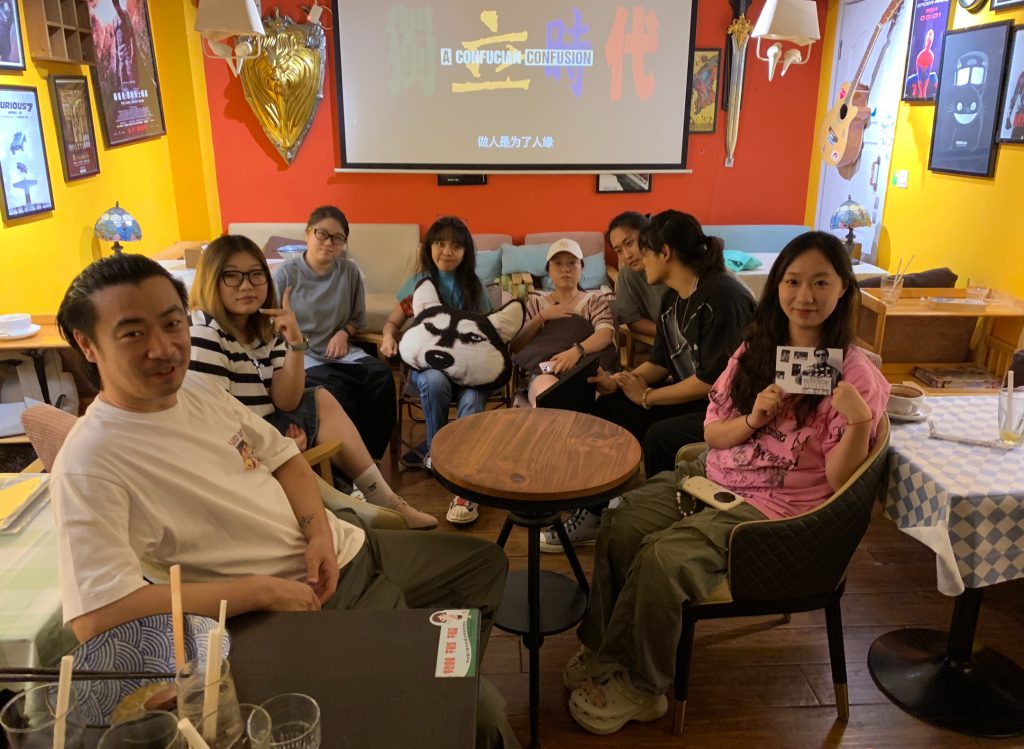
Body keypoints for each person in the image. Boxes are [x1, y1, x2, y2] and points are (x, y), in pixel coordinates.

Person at [52, 253, 519, 749]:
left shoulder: (197, 390)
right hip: (297, 605)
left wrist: (317, 532)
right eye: (132, 333)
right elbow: (97, 616)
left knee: (483, 564)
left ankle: (430, 688)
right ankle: (424, 693)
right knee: (483, 715)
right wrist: (260, 592)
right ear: (88, 344)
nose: (163, 348)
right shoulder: (91, 459)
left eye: (172, 323)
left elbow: (285, 459)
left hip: (347, 546)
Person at [561, 231, 890, 736]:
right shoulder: (755, 351)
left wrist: (860, 421)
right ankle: (608, 648)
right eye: (793, 281)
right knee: (622, 519)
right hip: (713, 476)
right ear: (776, 287)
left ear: (844, 288)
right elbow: (714, 434)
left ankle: (643, 685)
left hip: (774, 512)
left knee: (663, 559)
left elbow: (841, 484)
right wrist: (755, 418)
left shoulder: (857, 376)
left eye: (821, 282)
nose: (805, 296)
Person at [188, 235, 436, 529]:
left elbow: (287, 401)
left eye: (256, 274)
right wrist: (276, 445)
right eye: (232, 276)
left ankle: (380, 500)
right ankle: (357, 506)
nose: (246, 285)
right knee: (331, 389)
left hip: (266, 425)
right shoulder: (205, 332)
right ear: (211, 280)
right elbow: (215, 422)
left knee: (326, 393)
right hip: (234, 445)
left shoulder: (264, 327)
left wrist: (295, 343)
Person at [550, 210, 754, 550]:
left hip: (732, 411)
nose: (635, 260)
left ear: (665, 252)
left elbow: (711, 382)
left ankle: (666, 521)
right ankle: (596, 512)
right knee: (610, 407)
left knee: (661, 435)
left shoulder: (722, 296)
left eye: (642, 251)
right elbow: (660, 363)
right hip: (700, 399)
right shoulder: (673, 297)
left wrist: (647, 398)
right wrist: (620, 381)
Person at [380, 216, 493, 526]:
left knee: (473, 396)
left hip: (468, 369)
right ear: (429, 247)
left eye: (456, 245)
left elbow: (488, 331)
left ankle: (464, 482)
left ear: (466, 252)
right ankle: (439, 453)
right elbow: (392, 322)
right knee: (434, 379)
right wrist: (388, 337)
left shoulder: (474, 286)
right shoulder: (419, 283)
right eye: (440, 243)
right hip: (428, 368)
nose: (447, 251)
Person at [272, 206, 396, 460]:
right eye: (322, 234)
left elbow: (357, 319)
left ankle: (370, 457)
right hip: (302, 355)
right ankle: (347, 461)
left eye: (337, 238)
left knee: (381, 377)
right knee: (334, 390)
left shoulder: (349, 271)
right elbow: (271, 326)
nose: (329, 243)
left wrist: (343, 333)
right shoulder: (286, 274)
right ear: (308, 234)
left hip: (341, 352)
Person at [511, 238, 615, 405]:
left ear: (581, 268)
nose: (565, 269)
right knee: (547, 397)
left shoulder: (594, 301)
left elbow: (605, 335)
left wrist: (576, 352)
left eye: (572, 263)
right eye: (558, 263)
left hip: (586, 370)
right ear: (548, 270)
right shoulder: (535, 304)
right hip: (545, 370)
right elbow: (517, 346)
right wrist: (541, 317)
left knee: (595, 403)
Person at [607, 212, 666, 340]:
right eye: (618, 251)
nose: (627, 255)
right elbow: (632, 320)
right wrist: (669, 333)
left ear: (647, 234)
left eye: (629, 243)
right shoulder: (628, 273)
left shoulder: (672, 261)